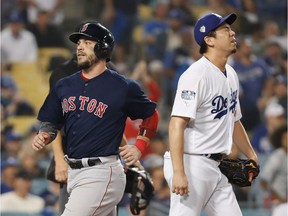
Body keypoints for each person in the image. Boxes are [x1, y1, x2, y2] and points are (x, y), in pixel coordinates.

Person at [31, 21, 159, 216]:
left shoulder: (122, 86)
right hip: (74, 172)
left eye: (87, 42)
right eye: (78, 43)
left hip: (101, 172)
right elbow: (51, 120)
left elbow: (151, 115)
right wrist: (45, 134)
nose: (80, 47)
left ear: (103, 47)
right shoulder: (64, 84)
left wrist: (139, 146)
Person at [163, 13, 259, 216]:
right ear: (209, 40)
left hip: (217, 166)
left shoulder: (231, 73)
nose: (232, 33)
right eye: (225, 30)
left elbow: (234, 121)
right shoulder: (195, 75)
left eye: (231, 29)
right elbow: (176, 124)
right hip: (191, 163)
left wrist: (251, 155)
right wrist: (179, 171)